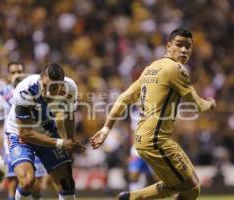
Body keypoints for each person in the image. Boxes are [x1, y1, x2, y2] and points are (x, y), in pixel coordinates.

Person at [90, 28, 216, 200]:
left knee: (190, 188)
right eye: (179, 45)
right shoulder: (176, 69)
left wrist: (106, 129)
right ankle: (133, 197)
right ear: (169, 46)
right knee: (190, 185)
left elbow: (123, 98)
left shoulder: (151, 69)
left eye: (188, 46)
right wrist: (211, 103)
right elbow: (198, 105)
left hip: (143, 140)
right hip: (157, 141)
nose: (184, 50)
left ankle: (130, 197)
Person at [5, 63, 86, 200]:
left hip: (47, 130)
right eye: (45, 86)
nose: (47, 92)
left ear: (62, 84)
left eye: (53, 88)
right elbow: (26, 134)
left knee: (67, 183)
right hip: (19, 134)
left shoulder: (70, 88)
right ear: (41, 78)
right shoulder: (25, 89)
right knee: (27, 181)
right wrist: (62, 143)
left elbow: (69, 114)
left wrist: (70, 143)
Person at [0, 62, 48, 200]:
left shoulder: (33, 90)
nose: (17, 75)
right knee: (14, 183)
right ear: (8, 76)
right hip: (11, 143)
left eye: (19, 71)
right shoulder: (1, 96)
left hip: (34, 142)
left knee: (36, 186)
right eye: (13, 72)